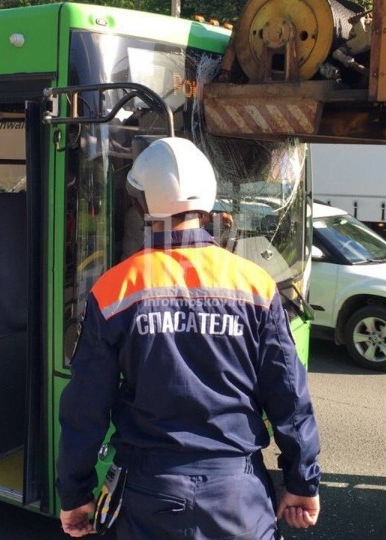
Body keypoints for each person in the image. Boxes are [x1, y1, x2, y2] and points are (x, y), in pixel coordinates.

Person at [56, 138, 321, 539]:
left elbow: (85, 407)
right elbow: (289, 395)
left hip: (147, 494)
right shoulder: (255, 284)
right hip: (238, 495)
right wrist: (302, 482)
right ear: (209, 201)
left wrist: (75, 494)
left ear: (140, 204)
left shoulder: (114, 289)